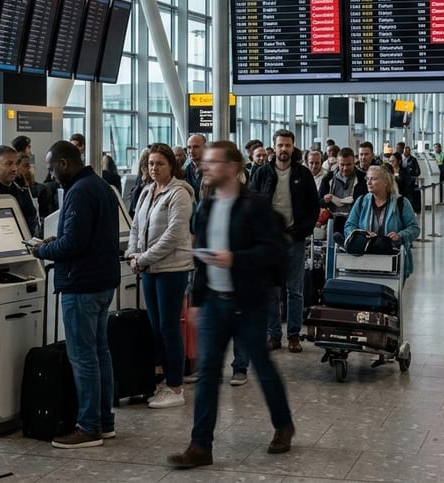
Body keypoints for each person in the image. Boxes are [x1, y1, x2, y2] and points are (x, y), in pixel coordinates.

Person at [167, 140, 293, 470]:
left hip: (248, 303)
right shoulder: (207, 205)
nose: (206, 166)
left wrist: (234, 258)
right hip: (215, 305)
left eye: (213, 161)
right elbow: (202, 258)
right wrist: (197, 301)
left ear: (234, 167)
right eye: (205, 161)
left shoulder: (256, 205)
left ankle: (283, 424)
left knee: (262, 368)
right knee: (208, 373)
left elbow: (272, 252)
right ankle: (200, 445)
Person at [32, 140, 120, 449]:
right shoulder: (100, 186)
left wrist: (43, 249)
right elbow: (86, 236)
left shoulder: (79, 191)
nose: (50, 173)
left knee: (82, 357)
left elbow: (74, 245)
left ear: (65, 163)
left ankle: (89, 427)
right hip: (103, 281)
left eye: (51, 166)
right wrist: (62, 239)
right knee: (99, 353)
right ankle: (104, 421)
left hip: (82, 285)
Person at [125, 144, 195, 409]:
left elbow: (174, 234)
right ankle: (164, 380)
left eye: (160, 164)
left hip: (172, 269)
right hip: (150, 269)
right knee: (157, 328)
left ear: (171, 166)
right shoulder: (146, 192)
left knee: (168, 327)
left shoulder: (179, 193)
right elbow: (136, 227)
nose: (154, 168)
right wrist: (133, 253)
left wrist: (143, 258)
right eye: (151, 164)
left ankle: (176, 387)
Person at [247, 129, 319, 353]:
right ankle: (274, 334)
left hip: (295, 239)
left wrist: (301, 230)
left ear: (293, 146)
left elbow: (313, 207)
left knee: (294, 289)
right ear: (274, 146)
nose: (284, 149)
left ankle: (294, 334)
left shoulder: (303, 174)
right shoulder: (261, 173)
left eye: (288, 145)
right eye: (280, 145)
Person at [343, 165, 420, 277]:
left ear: (385, 182)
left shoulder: (401, 202)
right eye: (367, 179)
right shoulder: (361, 201)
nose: (369, 182)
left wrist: (399, 235)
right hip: (363, 262)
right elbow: (349, 225)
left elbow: (414, 229)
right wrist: (361, 234)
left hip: (393, 262)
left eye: (373, 179)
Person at [318, 147, 364, 217]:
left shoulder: (362, 178)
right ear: (337, 163)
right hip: (332, 218)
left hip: (355, 218)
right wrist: (325, 200)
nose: (345, 168)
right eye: (342, 165)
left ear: (354, 162)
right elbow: (319, 202)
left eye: (348, 164)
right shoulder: (328, 178)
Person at [184, 134, 207, 203]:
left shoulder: (212, 169)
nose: (191, 151)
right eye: (189, 147)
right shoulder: (187, 169)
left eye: (196, 147)